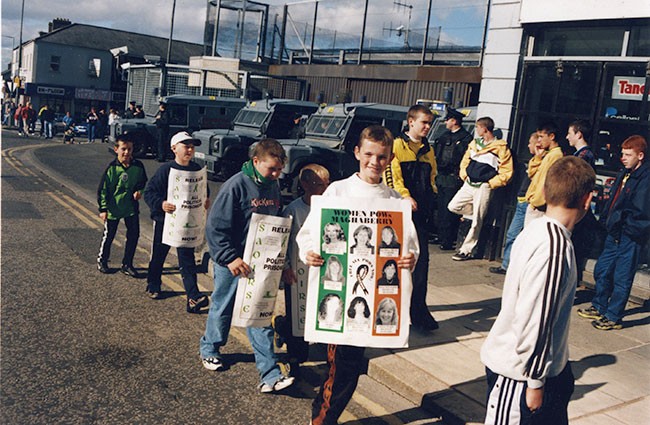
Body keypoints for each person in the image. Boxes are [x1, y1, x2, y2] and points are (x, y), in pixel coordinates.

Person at [296, 125, 418, 425]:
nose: (374, 162)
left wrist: (409, 258)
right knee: (344, 367)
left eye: (382, 156)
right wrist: (309, 251)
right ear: (357, 153)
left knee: (346, 369)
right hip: (338, 298)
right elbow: (309, 234)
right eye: (369, 154)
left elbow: (410, 247)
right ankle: (322, 420)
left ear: (390, 159)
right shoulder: (338, 190)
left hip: (370, 302)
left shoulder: (394, 202)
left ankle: (323, 412)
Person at [481, 156, 596, 425]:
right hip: (520, 376)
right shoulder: (554, 247)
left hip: (531, 371)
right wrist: (535, 381)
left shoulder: (535, 231)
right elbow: (536, 319)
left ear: (545, 192)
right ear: (587, 200)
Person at [199, 138, 295, 393]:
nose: (276, 174)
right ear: (256, 161)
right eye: (271, 169)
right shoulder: (235, 186)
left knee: (259, 316)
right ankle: (210, 347)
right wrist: (230, 258)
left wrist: (280, 261)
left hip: (260, 263)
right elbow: (216, 227)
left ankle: (270, 374)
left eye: (279, 170)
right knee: (223, 307)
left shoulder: (272, 186)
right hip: (232, 261)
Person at [577, 135, 649, 330]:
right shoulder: (625, 172)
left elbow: (640, 210)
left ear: (640, 155)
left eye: (628, 154)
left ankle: (613, 315)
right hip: (614, 231)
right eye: (622, 154)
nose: (623, 158)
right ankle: (600, 305)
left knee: (622, 277)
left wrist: (628, 229)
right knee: (602, 269)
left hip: (629, 235)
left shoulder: (645, 178)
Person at [383, 104, 439, 331]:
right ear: (411, 121)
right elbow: (392, 176)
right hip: (400, 211)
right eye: (424, 122)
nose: (427, 127)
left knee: (421, 261)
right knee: (394, 260)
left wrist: (433, 199)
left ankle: (419, 311)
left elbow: (432, 176)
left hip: (422, 213)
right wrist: (404, 197)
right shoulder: (397, 145)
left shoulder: (428, 149)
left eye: (429, 123)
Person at [272, 164, 330, 377]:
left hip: (322, 271)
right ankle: (295, 350)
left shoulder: (331, 206)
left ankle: (284, 326)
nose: (324, 188)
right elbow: (284, 242)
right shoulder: (293, 210)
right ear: (305, 185)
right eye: (319, 184)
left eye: (327, 183)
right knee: (298, 313)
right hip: (298, 271)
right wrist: (286, 268)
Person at [143, 131, 210, 313]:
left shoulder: (197, 170)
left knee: (187, 260)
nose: (189, 149)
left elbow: (204, 191)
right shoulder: (166, 170)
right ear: (174, 149)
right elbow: (149, 193)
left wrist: (205, 200)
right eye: (185, 146)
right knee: (158, 255)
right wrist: (161, 204)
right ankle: (153, 283)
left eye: (192, 146)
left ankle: (193, 298)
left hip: (186, 224)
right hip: (165, 221)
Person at [448, 116, 513, 261]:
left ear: (484, 129)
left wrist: (492, 183)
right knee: (453, 206)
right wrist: (464, 174)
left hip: (484, 186)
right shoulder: (474, 143)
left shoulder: (500, 148)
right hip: (469, 183)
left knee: (477, 221)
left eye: (478, 127)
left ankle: (466, 250)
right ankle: (475, 211)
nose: (476, 130)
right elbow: (466, 159)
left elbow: (507, 171)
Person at [96, 133, 148, 276]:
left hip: (130, 208)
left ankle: (127, 264)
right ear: (116, 149)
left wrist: (139, 191)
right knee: (109, 235)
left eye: (129, 149)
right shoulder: (112, 168)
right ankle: (103, 260)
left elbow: (143, 182)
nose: (126, 152)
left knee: (133, 235)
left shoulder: (138, 166)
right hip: (113, 208)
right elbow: (103, 190)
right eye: (123, 149)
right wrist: (103, 209)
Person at [489, 133, 537, 274]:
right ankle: (506, 265)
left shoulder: (543, 161)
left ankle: (519, 267)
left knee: (524, 237)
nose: (528, 145)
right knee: (512, 234)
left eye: (530, 143)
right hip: (522, 201)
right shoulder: (534, 160)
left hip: (530, 204)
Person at [432, 107, 473, 250]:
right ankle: (441, 235)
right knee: (441, 208)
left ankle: (448, 240)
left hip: (453, 177)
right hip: (442, 177)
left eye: (447, 119)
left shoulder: (465, 138)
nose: (445, 122)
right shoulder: (444, 136)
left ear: (454, 121)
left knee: (450, 210)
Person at [567, 120, 597, 283]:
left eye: (570, 133)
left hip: (577, 208)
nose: (567, 137)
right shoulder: (582, 155)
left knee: (574, 246)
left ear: (579, 134)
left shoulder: (583, 157)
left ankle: (572, 279)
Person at [524, 122, 564, 225]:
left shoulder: (555, 155)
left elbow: (545, 182)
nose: (539, 140)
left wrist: (536, 201)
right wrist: (537, 157)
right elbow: (532, 174)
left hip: (538, 206)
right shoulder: (548, 154)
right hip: (534, 203)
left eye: (541, 136)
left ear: (551, 136)